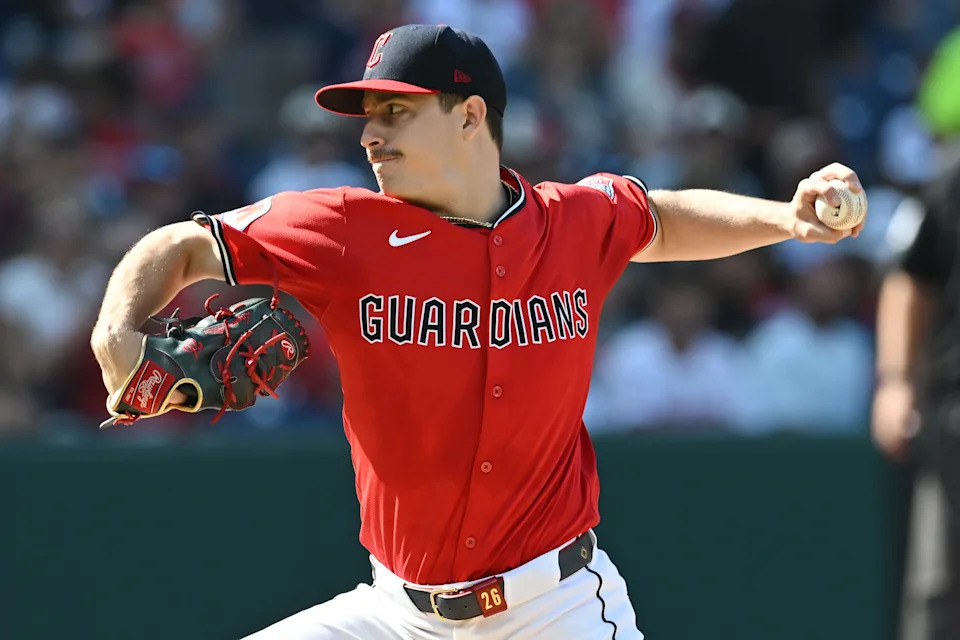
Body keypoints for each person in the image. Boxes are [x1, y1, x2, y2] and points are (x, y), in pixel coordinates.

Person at [91, 24, 863, 640]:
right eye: (368, 118)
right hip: (396, 615)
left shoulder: (572, 221)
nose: (370, 136)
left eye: (396, 112)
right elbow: (181, 246)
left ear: (469, 116)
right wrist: (118, 331)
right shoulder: (340, 227)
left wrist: (785, 220)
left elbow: (659, 218)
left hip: (554, 609)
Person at [872, 152, 960, 640]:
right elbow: (909, 278)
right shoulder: (954, 181)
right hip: (956, 408)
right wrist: (896, 380)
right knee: (941, 581)